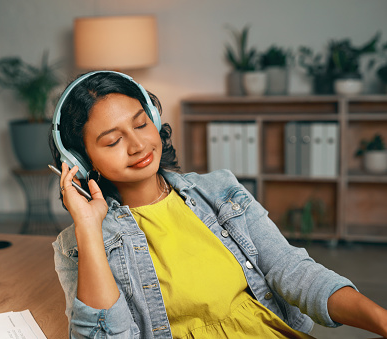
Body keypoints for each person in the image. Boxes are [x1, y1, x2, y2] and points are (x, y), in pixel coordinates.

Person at [49, 71, 387, 339]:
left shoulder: (220, 190)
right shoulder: (76, 245)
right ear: (79, 160)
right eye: (113, 140)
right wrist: (89, 229)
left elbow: (294, 271)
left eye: (141, 124)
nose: (138, 145)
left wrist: (381, 320)